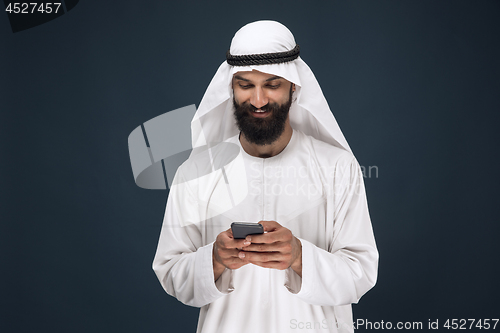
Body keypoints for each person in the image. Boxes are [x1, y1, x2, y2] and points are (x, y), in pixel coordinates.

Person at [152, 20, 378, 333]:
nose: (258, 100)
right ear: (230, 88)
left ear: (294, 87)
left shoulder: (338, 167)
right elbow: (171, 271)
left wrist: (300, 257)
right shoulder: (197, 172)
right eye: (245, 85)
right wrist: (214, 259)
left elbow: (361, 273)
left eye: (272, 85)